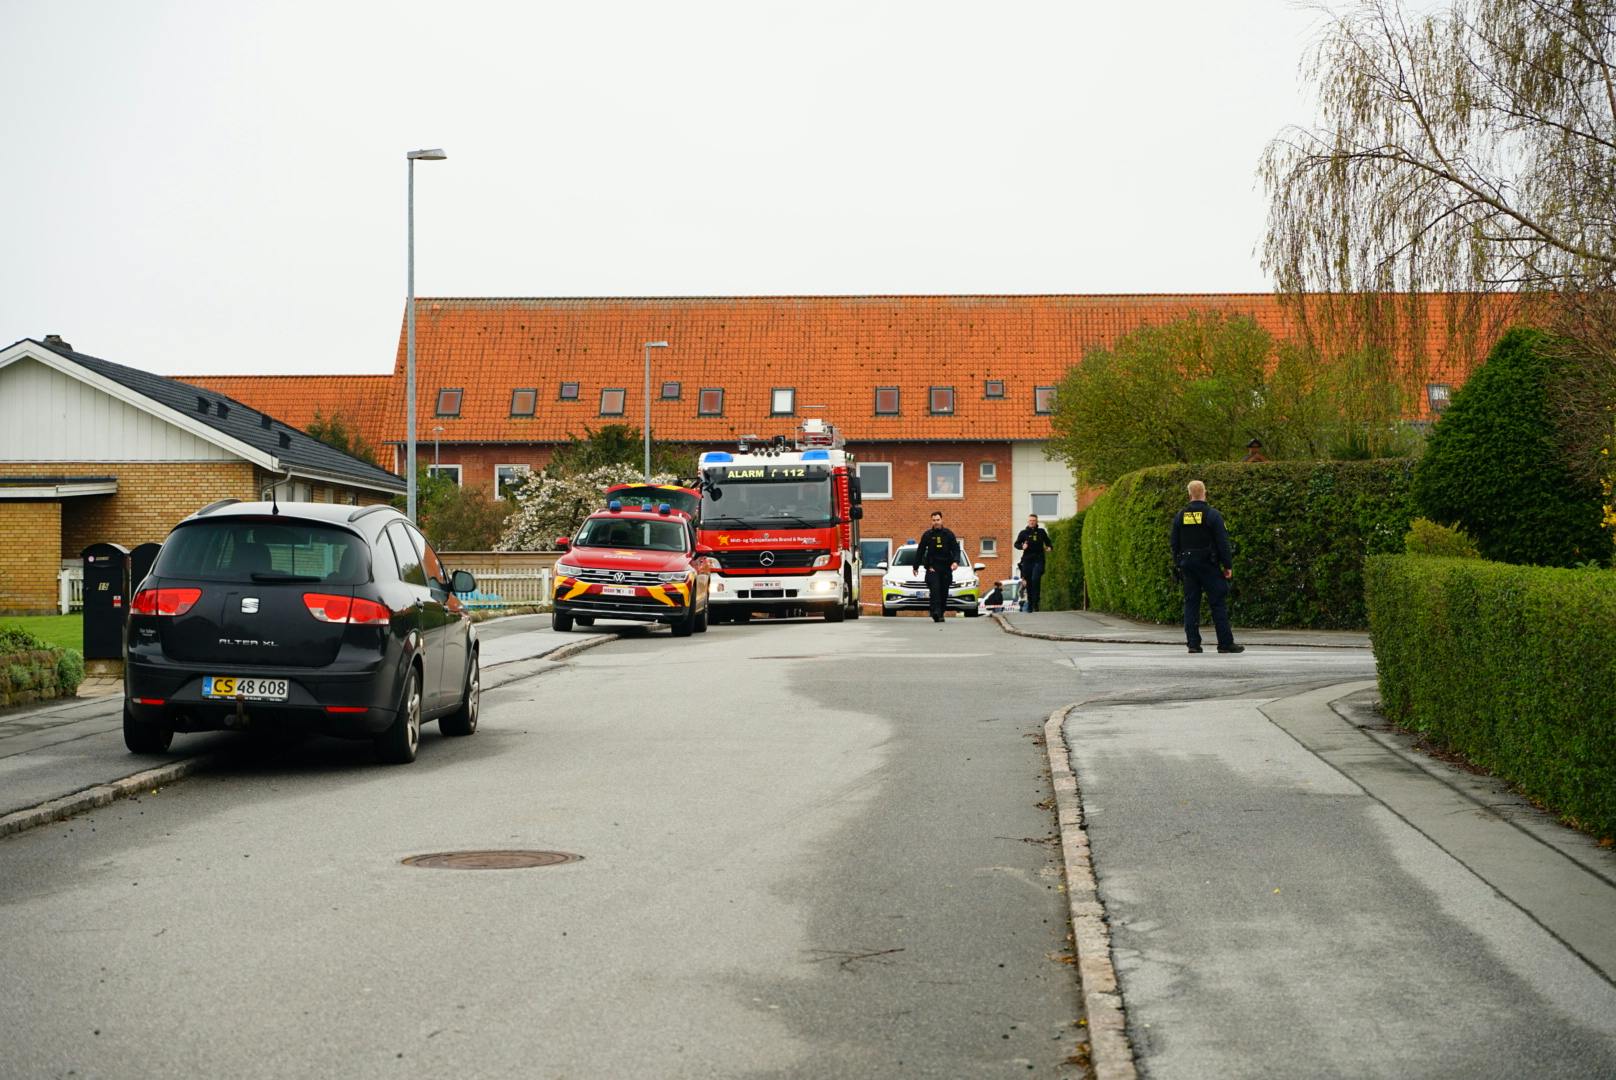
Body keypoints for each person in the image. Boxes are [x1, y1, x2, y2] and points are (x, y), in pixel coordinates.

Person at [1170, 479, 1244, 654]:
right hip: (1208, 564)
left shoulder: (1180, 516)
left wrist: (1179, 563)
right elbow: (1222, 543)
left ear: (1189, 495)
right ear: (1205, 493)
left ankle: (1193, 644)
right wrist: (1227, 565)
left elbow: (1174, 543)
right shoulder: (1212, 515)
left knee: (1191, 603)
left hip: (1188, 565)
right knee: (1217, 602)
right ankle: (1225, 643)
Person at [917, 511, 959, 623]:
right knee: (935, 589)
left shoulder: (948, 534)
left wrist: (955, 562)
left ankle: (941, 613)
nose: (936, 522)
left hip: (946, 567)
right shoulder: (928, 535)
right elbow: (920, 551)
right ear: (931, 521)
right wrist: (916, 566)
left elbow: (955, 549)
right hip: (932, 567)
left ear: (942, 520)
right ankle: (935, 611)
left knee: (944, 591)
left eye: (938, 520)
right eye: (934, 520)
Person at [1014, 513, 1054, 612]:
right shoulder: (1023, 533)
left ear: (1036, 522)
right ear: (1028, 522)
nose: (1032, 522)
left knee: (1035, 578)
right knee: (1029, 582)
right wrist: (1022, 547)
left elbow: (1048, 543)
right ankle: (1031, 603)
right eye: (1030, 521)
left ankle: (1036, 602)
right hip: (1027, 560)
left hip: (1039, 559)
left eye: (1034, 521)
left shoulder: (1041, 532)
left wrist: (1049, 548)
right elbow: (1016, 544)